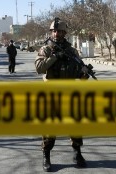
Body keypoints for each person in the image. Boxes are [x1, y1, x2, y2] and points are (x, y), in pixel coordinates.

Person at [35, 18, 89, 172]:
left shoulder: (72, 51)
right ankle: (46, 156)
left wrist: (84, 74)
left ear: (65, 33)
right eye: (54, 31)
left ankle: (77, 153)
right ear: (51, 32)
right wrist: (55, 56)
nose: (57, 34)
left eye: (60, 31)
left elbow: (79, 72)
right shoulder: (46, 49)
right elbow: (39, 68)